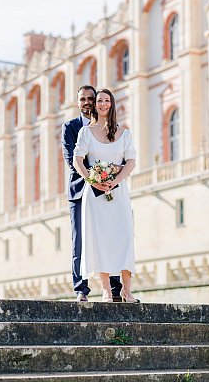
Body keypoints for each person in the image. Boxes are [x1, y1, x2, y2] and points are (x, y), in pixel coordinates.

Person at [73, 88, 139, 303]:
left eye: (106, 100)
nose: (102, 104)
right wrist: (93, 181)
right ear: (95, 105)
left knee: (125, 236)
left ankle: (127, 291)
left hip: (119, 193)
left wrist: (115, 180)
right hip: (95, 195)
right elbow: (78, 160)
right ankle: (107, 291)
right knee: (100, 238)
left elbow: (131, 161)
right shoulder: (86, 132)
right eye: (99, 101)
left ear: (111, 104)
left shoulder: (124, 133)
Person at [62, 85, 123, 302]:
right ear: (78, 102)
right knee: (79, 240)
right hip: (80, 191)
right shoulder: (70, 126)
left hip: (109, 190)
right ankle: (81, 290)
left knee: (111, 237)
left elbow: (121, 158)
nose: (87, 102)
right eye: (83, 99)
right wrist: (94, 177)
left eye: (91, 98)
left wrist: (108, 179)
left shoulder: (110, 127)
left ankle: (115, 290)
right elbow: (71, 160)